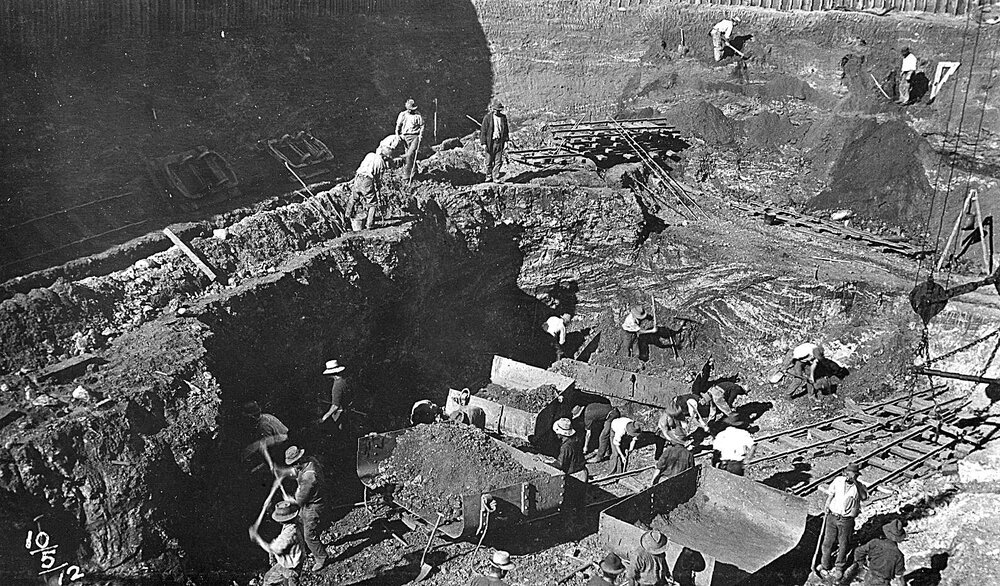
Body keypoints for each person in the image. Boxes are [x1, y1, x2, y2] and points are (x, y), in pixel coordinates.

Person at [818, 462, 869, 579]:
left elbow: (864, 497)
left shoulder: (859, 487)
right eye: (848, 473)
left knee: (843, 544)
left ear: (856, 475)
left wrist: (856, 483)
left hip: (846, 520)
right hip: (832, 516)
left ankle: (839, 567)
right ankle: (825, 565)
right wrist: (827, 505)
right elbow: (831, 494)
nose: (849, 476)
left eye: (852, 474)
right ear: (845, 473)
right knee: (827, 542)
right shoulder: (838, 481)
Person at [283, 446, 328, 571]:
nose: (293, 466)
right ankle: (309, 548)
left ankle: (321, 558)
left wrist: (290, 499)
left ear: (298, 461)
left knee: (309, 534)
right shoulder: (310, 461)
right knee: (301, 523)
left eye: (293, 464)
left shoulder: (309, 477)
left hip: (314, 505)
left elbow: (300, 499)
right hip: (312, 501)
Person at [249, 499, 304, 586]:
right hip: (292, 562)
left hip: (291, 568)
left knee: (270, 581)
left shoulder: (288, 534)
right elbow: (292, 504)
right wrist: (270, 509)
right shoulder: (297, 520)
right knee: (271, 578)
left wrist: (257, 539)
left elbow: (273, 549)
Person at [854, 519, 907, 586]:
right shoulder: (898, 555)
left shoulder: (874, 542)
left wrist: (862, 564)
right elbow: (899, 578)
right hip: (882, 582)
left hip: (869, 577)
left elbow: (858, 551)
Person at [347, 148, 390, 230]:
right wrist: (378, 186)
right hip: (367, 180)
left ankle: (347, 216)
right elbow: (378, 178)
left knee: (354, 198)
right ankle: (370, 224)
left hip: (358, 177)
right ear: (385, 156)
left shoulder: (370, 154)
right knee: (373, 203)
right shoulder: (381, 162)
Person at [241, 400, 289, 466]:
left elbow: (270, 446)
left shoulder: (263, 426)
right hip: (285, 442)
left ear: (252, 417)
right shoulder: (266, 416)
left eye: (247, 417)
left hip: (284, 448)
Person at [480, 98, 510, 183]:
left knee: (498, 161)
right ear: (493, 109)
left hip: (499, 142)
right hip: (490, 142)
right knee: (488, 161)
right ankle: (489, 176)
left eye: (498, 110)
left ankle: (496, 177)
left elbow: (506, 131)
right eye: (495, 110)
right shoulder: (487, 118)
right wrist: (483, 143)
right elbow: (483, 131)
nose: (497, 111)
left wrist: (506, 141)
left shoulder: (503, 118)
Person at [395, 99, 424, 181]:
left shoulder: (418, 115)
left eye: (412, 109)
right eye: (410, 109)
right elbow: (398, 126)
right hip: (405, 137)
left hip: (415, 136)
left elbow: (422, 125)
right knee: (410, 155)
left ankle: (407, 175)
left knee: (409, 154)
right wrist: (397, 134)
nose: (411, 111)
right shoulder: (403, 115)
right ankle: (415, 172)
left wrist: (421, 135)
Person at [318, 359, 349, 436]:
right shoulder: (344, 380)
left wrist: (324, 417)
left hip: (340, 415)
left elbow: (335, 406)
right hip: (347, 412)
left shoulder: (337, 385)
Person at [552, 418, 588, 482]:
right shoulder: (576, 439)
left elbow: (560, 464)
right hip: (582, 471)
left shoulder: (566, 447)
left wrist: (548, 465)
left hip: (575, 476)